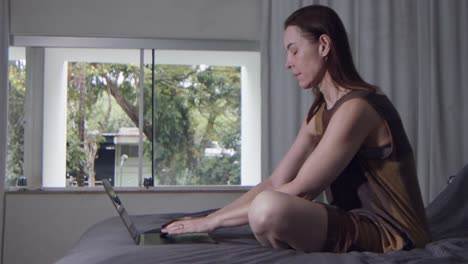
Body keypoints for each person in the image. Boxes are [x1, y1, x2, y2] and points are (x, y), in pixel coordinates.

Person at [162, 4, 431, 253]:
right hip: (353, 222)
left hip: (393, 234)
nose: (288, 62)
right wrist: (208, 219)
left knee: (268, 209)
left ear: (324, 45)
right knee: (266, 209)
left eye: (294, 50)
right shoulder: (319, 112)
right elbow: (277, 181)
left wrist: (215, 223)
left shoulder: (358, 106)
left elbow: (303, 190)